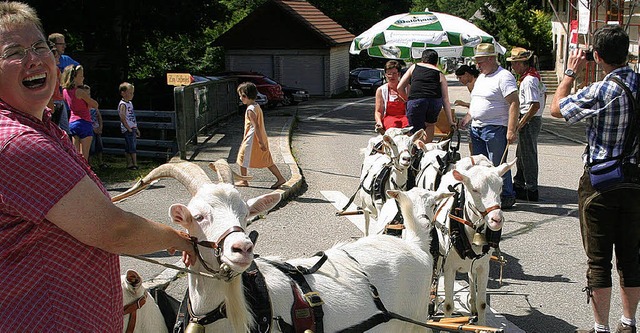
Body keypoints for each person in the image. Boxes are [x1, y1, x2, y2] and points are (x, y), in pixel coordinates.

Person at [0, 2, 193, 331]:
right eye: (14, 51)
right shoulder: (20, 144)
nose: (33, 58)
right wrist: (184, 240)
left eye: (39, 45)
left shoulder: (42, 127)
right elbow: (114, 230)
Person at [551, 25, 640, 333]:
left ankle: (600, 328)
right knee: (630, 257)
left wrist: (570, 72)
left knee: (599, 260)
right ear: (627, 52)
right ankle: (628, 323)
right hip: (636, 179)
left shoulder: (603, 89)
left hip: (601, 182)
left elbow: (556, 109)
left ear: (597, 56)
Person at [460, 43, 519, 208]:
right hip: (477, 127)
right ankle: (485, 195)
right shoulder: (482, 78)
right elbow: (476, 102)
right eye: (477, 61)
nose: (477, 65)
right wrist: (467, 118)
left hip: (495, 127)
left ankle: (506, 195)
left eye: (481, 61)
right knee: (480, 166)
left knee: (497, 165)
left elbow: (514, 103)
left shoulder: (504, 76)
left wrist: (511, 129)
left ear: (492, 59)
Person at [507, 47, 546, 202]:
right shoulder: (533, 77)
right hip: (533, 117)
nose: (513, 67)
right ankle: (519, 183)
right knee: (522, 153)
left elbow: (534, 105)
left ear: (523, 63)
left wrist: (521, 123)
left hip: (530, 118)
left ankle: (531, 188)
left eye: (515, 64)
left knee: (528, 154)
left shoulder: (529, 80)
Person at [235, 82, 287, 189]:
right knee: (267, 159)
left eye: (241, 96)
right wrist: (262, 141)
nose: (241, 98)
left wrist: (260, 142)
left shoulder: (250, 110)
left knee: (242, 157)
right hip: (261, 137)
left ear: (246, 96)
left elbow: (255, 126)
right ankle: (280, 178)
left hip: (252, 140)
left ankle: (244, 180)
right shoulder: (256, 106)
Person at [398, 49, 456, 141]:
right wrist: (450, 121)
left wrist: (407, 100)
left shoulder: (414, 67)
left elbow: (400, 87)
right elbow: (445, 99)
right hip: (434, 102)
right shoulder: (440, 74)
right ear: (436, 62)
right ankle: (426, 149)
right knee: (430, 125)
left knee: (414, 130)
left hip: (416, 100)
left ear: (422, 59)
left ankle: (414, 150)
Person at [62, 64, 97, 161]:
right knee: (84, 157)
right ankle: (86, 174)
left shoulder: (65, 91)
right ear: (74, 77)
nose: (83, 78)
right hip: (84, 122)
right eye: (81, 76)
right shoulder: (80, 92)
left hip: (72, 123)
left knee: (76, 155)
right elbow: (94, 104)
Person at [374, 60, 409, 133]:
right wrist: (379, 122)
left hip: (404, 117)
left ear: (399, 74)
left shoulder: (407, 87)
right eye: (389, 74)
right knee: (392, 129)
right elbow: (378, 111)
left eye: (394, 73)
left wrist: (404, 99)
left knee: (408, 128)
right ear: (385, 75)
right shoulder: (381, 90)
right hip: (389, 118)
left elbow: (412, 105)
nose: (391, 76)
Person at [118, 82, 140, 170]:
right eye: (130, 93)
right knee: (131, 147)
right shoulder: (123, 104)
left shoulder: (130, 103)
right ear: (123, 93)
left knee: (130, 146)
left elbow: (132, 117)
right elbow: (122, 117)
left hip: (132, 127)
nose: (132, 95)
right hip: (128, 129)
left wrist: (136, 128)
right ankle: (134, 163)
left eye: (132, 93)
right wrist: (128, 128)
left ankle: (130, 163)